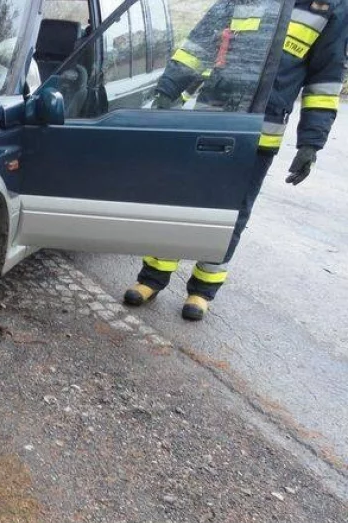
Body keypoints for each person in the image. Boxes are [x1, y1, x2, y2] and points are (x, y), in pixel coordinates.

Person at [124, 0, 348, 320]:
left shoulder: (329, 8)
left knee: (233, 215)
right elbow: (201, 44)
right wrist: (168, 91)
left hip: (260, 132)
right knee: (180, 202)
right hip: (210, 120)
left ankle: (202, 291)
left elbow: (324, 80)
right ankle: (152, 280)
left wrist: (311, 143)